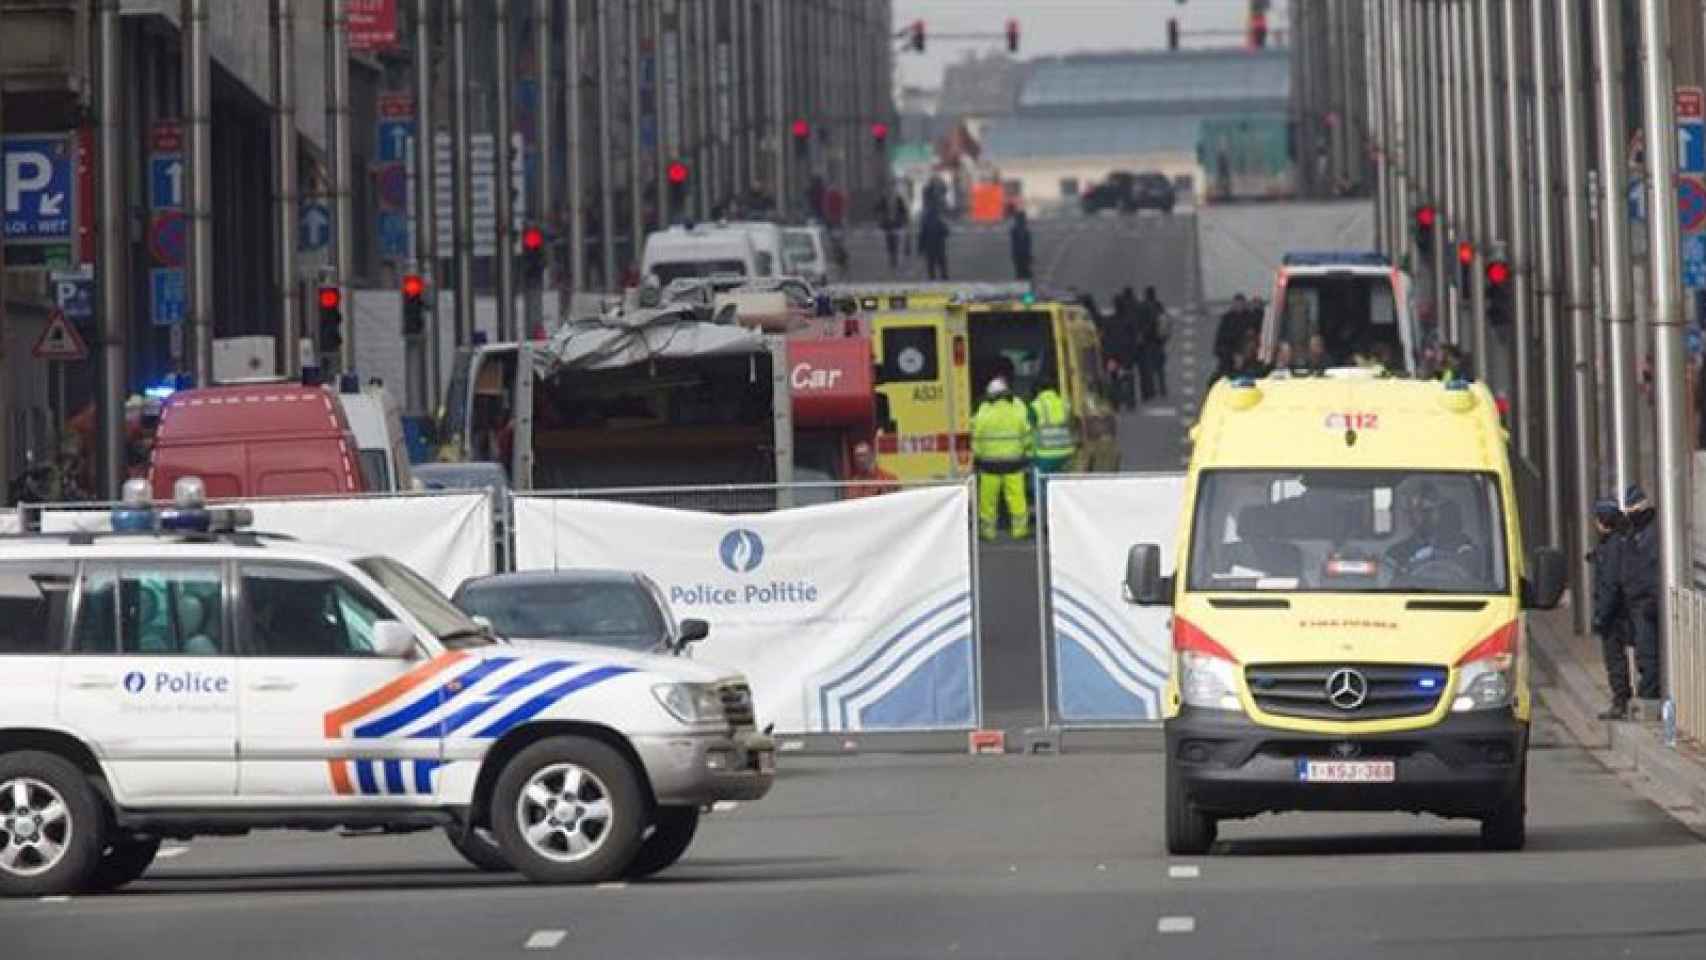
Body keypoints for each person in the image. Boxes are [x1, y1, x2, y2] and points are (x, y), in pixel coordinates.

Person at [971, 378, 1032, 542]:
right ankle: (1020, 530)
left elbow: (976, 435)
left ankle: (987, 532)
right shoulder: (1017, 407)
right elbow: (1026, 434)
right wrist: (1026, 452)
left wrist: (977, 456)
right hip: (1014, 463)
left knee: (988, 501)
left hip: (989, 464)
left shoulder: (983, 411)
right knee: (1017, 498)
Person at [1589, 497, 1634, 719]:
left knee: (1614, 657)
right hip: (1622, 609)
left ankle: (1621, 700)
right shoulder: (1620, 540)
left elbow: (1609, 584)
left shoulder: (1612, 546)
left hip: (1614, 614)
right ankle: (1622, 698)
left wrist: (1601, 616)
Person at [1620, 484, 1663, 705]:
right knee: (1641, 651)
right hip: (1636, 602)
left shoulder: (1651, 534)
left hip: (1646, 602)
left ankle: (1649, 696)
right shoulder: (1634, 532)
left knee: (1648, 654)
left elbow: (1651, 569)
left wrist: (1652, 599)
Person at [1384, 480, 1475, 575]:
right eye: (1420, 510)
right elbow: (1390, 584)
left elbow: (1474, 573)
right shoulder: (1397, 553)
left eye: (1430, 510)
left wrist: (1439, 554)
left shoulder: (1462, 545)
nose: (1427, 516)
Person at [1136, 286, 1169, 400]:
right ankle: (1163, 389)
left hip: (1148, 341)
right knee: (1160, 368)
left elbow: (1140, 323)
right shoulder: (1159, 306)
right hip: (1158, 341)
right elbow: (1164, 322)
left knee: (1149, 367)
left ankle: (1152, 391)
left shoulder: (1143, 307)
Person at [1215, 295, 1251, 373]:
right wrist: (1233, 355)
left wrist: (1243, 356)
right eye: (1237, 304)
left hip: (1247, 357)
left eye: (1241, 304)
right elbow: (1220, 342)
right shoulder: (1227, 319)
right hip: (1228, 359)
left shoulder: (1250, 318)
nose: (1239, 306)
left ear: (1244, 305)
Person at [920, 207, 951, 280]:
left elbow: (922, 236)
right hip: (939, 246)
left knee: (931, 264)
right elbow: (946, 232)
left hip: (929, 247)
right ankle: (944, 276)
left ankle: (932, 277)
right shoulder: (940, 221)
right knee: (941, 263)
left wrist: (920, 248)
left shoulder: (925, 223)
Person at [881, 194, 909, 270]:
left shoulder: (899, 200)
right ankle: (892, 258)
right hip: (888, 226)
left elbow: (904, 211)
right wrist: (882, 217)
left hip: (896, 225)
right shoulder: (884, 199)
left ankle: (895, 260)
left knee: (896, 243)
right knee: (889, 243)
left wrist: (904, 220)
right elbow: (878, 209)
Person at [1009, 207, 1034, 281]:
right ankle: (1024, 289)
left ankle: (1024, 289)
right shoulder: (1018, 231)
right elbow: (1026, 244)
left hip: (1021, 255)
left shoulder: (1019, 231)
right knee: (1022, 274)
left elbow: (1027, 244)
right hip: (1020, 255)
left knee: (1022, 274)